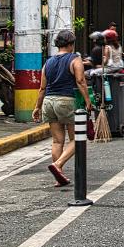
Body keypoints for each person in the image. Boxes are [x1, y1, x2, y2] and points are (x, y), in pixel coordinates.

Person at [32, 30, 92, 187]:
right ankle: (58, 165)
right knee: (77, 139)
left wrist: (37, 107)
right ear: (71, 44)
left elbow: (42, 88)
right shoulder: (74, 59)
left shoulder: (48, 62)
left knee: (57, 141)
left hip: (48, 102)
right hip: (66, 101)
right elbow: (80, 81)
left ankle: (58, 176)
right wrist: (88, 101)